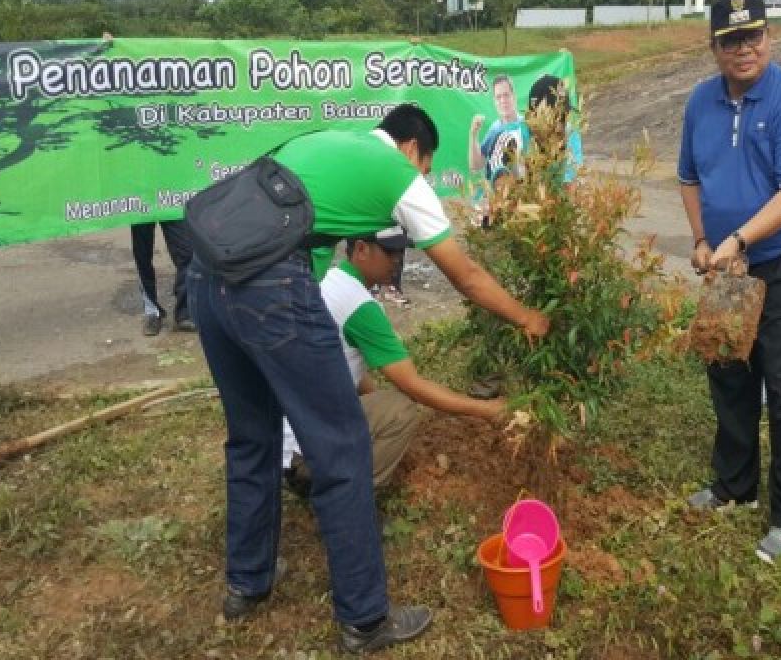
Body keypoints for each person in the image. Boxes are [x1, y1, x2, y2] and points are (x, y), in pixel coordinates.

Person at [188, 104, 549, 652]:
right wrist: (528, 317)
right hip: (268, 288)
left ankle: (248, 582)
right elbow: (465, 275)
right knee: (343, 448)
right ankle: (364, 618)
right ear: (412, 149)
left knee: (251, 436)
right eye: (426, 166)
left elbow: (293, 245)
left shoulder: (319, 143)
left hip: (206, 279)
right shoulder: (398, 174)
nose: (423, 178)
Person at [677, 0, 781, 564]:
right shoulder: (699, 102)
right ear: (713, 46)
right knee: (728, 373)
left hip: (779, 263)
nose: (745, 49)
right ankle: (734, 484)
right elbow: (689, 177)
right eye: (731, 39)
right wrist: (701, 241)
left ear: (770, 37)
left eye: (754, 36)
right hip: (723, 265)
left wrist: (740, 240)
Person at [281, 226, 506, 497]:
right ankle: (349, 496)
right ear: (362, 249)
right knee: (400, 408)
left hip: (286, 442)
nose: (398, 260)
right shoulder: (360, 307)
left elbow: (347, 365)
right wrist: (487, 409)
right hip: (304, 458)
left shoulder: (330, 282)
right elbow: (413, 385)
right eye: (390, 252)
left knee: (382, 405)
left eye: (401, 252)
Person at [130, 220, 193, 335]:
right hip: (142, 206)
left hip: (169, 204)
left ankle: (184, 312)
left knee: (186, 253)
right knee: (142, 255)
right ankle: (152, 312)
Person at [469, 75, 526, 191]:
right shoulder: (494, 130)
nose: (503, 101)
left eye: (506, 95)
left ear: (514, 96)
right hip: (499, 199)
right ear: (494, 101)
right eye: (498, 97)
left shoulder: (527, 125)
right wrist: (473, 135)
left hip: (526, 197)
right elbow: (476, 166)